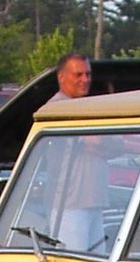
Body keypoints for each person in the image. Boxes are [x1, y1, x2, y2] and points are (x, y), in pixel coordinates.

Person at [46, 52, 107, 250]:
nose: (85, 80)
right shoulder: (56, 109)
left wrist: (100, 142)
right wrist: (98, 142)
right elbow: (95, 142)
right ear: (61, 77)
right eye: (78, 75)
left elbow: (116, 144)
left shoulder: (89, 108)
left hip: (94, 202)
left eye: (88, 74)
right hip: (69, 206)